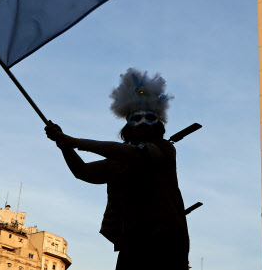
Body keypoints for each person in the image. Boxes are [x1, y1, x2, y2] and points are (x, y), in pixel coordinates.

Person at [45, 68, 189, 270]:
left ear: (158, 124)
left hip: (164, 240)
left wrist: (76, 142)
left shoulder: (164, 149)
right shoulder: (119, 161)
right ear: (128, 125)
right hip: (131, 240)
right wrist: (64, 146)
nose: (143, 123)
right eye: (135, 118)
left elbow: (132, 154)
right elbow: (83, 172)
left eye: (149, 117)